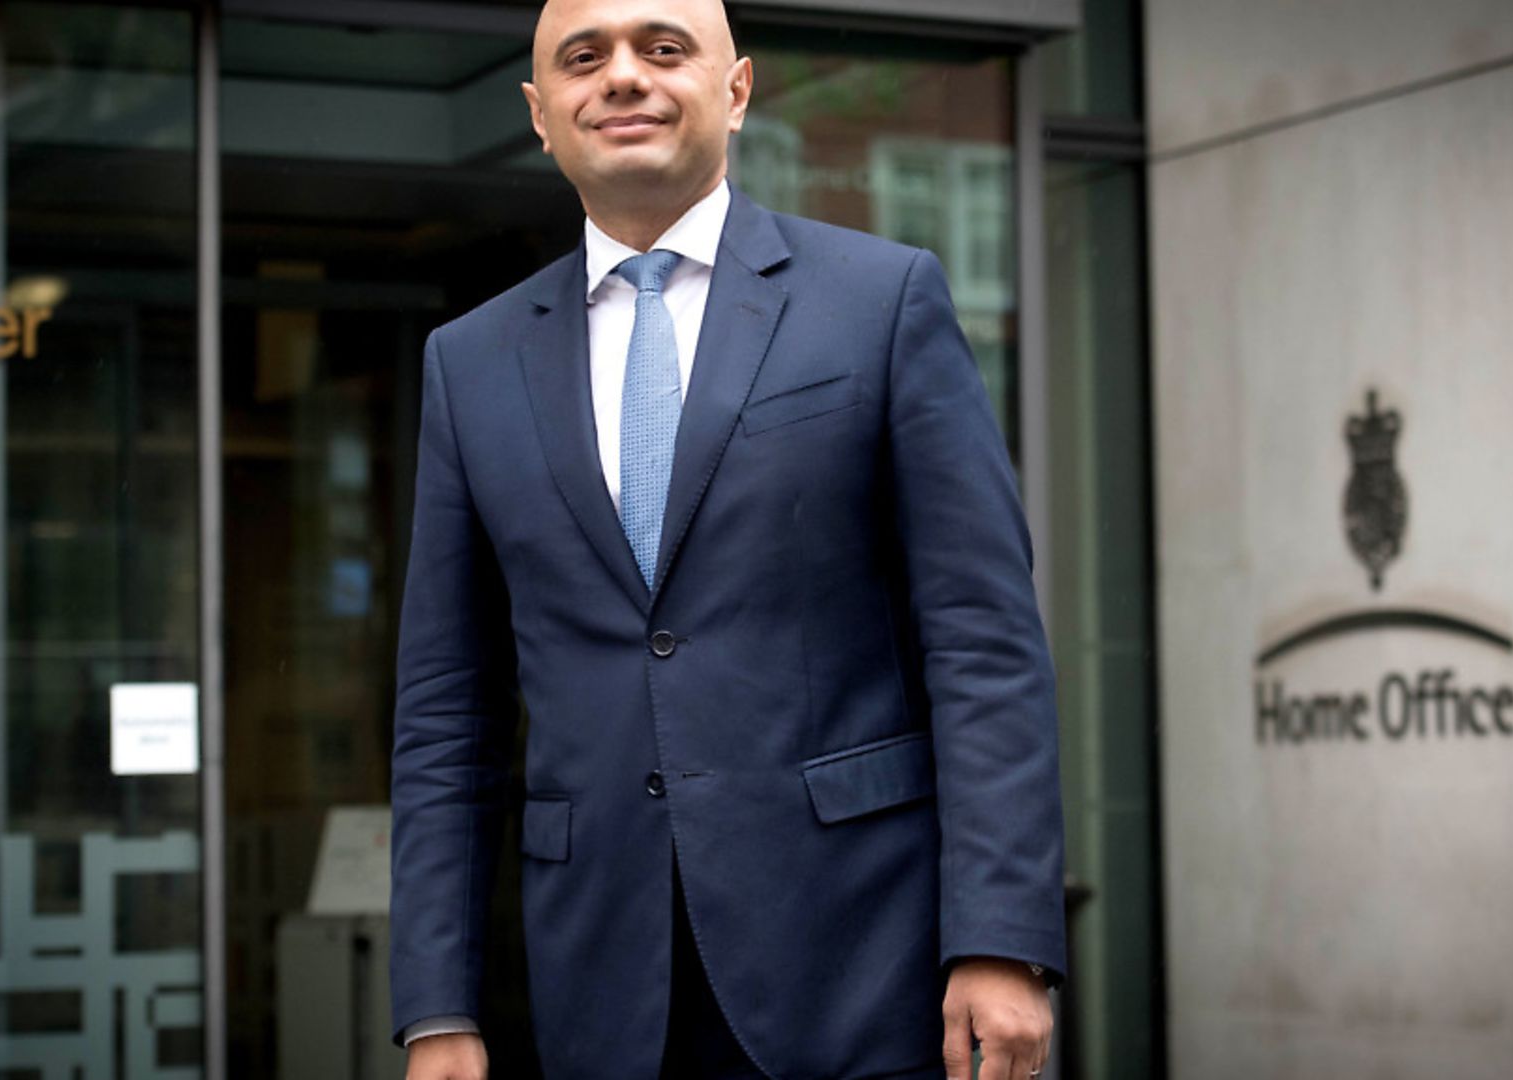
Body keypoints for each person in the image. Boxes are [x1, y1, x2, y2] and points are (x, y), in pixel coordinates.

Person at [388, 0, 1067, 1076]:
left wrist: (1001, 938)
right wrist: (437, 1009)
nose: (623, 77)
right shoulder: (468, 364)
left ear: (738, 90)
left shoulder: (881, 302)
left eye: (664, 49)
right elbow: (444, 713)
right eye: (584, 58)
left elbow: (982, 645)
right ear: (539, 112)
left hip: (864, 966)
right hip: (599, 988)